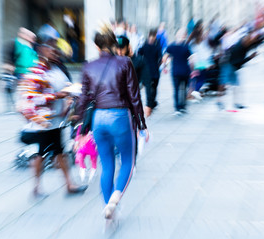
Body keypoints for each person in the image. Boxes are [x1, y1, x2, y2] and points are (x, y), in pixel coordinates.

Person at [77, 24, 149, 220]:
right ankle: (115, 199)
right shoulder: (125, 63)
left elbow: (83, 99)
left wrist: (79, 125)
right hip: (120, 116)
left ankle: (108, 207)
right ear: (114, 44)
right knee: (128, 161)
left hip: (98, 119)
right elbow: (135, 97)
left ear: (96, 46)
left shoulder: (88, 66)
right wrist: (142, 125)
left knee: (106, 164)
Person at [17, 44, 87, 196]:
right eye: (51, 50)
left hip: (54, 121)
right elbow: (32, 98)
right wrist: (57, 95)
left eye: (56, 50)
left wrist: (69, 93)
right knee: (44, 154)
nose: (55, 52)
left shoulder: (56, 68)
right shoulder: (36, 72)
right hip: (42, 124)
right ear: (41, 51)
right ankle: (43, 186)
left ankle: (64, 185)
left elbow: (64, 86)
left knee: (57, 152)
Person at [217, 32, 259, 110]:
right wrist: (250, 57)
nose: (251, 41)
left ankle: (236, 103)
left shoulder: (244, 44)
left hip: (232, 65)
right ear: (245, 40)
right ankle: (219, 101)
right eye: (250, 40)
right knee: (223, 83)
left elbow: (254, 43)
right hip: (228, 64)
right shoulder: (239, 48)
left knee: (236, 85)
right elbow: (239, 62)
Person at [163, 28, 192, 115]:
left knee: (176, 89)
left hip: (175, 71)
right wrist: (193, 70)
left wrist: (165, 67)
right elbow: (191, 59)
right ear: (184, 36)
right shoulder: (186, 46)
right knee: (184, 89)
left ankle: (177, 108)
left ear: (176, 36)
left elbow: (165, 57)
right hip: (185, 71)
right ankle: (182, 106)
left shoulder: (171, 46)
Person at [138, 29, 163, 117]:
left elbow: (139, 53)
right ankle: (152, 102)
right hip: (154, 70)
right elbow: (160, 58)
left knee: (149, 87)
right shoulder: (157, 46)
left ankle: (151, 103)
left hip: (147, 70)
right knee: (154, 87)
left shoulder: (144, 46)